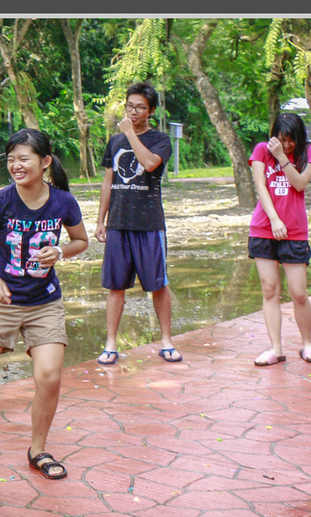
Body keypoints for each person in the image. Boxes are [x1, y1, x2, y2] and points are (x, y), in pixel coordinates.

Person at [0, 129, 88, 481]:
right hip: (1, 302)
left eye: (23, 158)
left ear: (45, 162)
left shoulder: (63, 202)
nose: (16, 165)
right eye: (11, 159)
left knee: (49, 376)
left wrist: (60, 251)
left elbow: (81, 241)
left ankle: (37, 450)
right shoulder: (0, 201)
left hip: (44, 302)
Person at [94, 81, 180, 366]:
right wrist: (100, 220)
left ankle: (166, 340)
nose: (133, 112)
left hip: (149, 223)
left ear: (151, 110)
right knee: (115, 286)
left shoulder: (159, 139)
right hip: (119, 222)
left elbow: (150, 163)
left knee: (158, 284)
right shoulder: (115, 141)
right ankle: (110, 343)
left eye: (140, 107)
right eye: (130, 106)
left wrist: (130, 133)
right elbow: (109, 181)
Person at [247, 113, 311, 367]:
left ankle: (307, 344)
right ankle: (275, 348)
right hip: (264, 228)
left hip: (295, 232)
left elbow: (299, 184)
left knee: (299, 293)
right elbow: (261, 186)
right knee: (270, 290)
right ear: (274, 135)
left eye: (291, 140)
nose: (286, 144)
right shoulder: (260, 150)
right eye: (281, 139)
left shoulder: (309, 151)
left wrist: (282, 157)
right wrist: (275, 219)